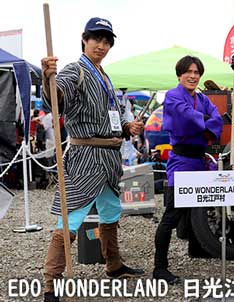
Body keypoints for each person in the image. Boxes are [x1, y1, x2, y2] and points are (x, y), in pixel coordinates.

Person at [39, 17, 145, 302]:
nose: (102, 45)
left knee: (111, 212)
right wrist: (48, 78)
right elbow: (56, 97)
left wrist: (125, 128)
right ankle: (51, 284)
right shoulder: (77, 70)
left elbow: (110, 116)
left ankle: (113, 264)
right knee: (71, 219)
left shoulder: (104, 75)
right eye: (96, 39)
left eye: (107, 41)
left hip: (109, 158)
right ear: (84, 39)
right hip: (85, 157)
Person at [153, 55, 223, 284]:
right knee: (171, 215)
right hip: (181, 162)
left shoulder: (202, 98)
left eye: (197, 72)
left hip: (198, 161)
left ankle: (198, 248)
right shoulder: (173, 96)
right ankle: (159, 268)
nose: (193, 76)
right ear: (179, 74)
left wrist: (202, 123)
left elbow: (217, 119)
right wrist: (204, 124)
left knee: (199, 208)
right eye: (188, 72)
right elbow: (186, 118)